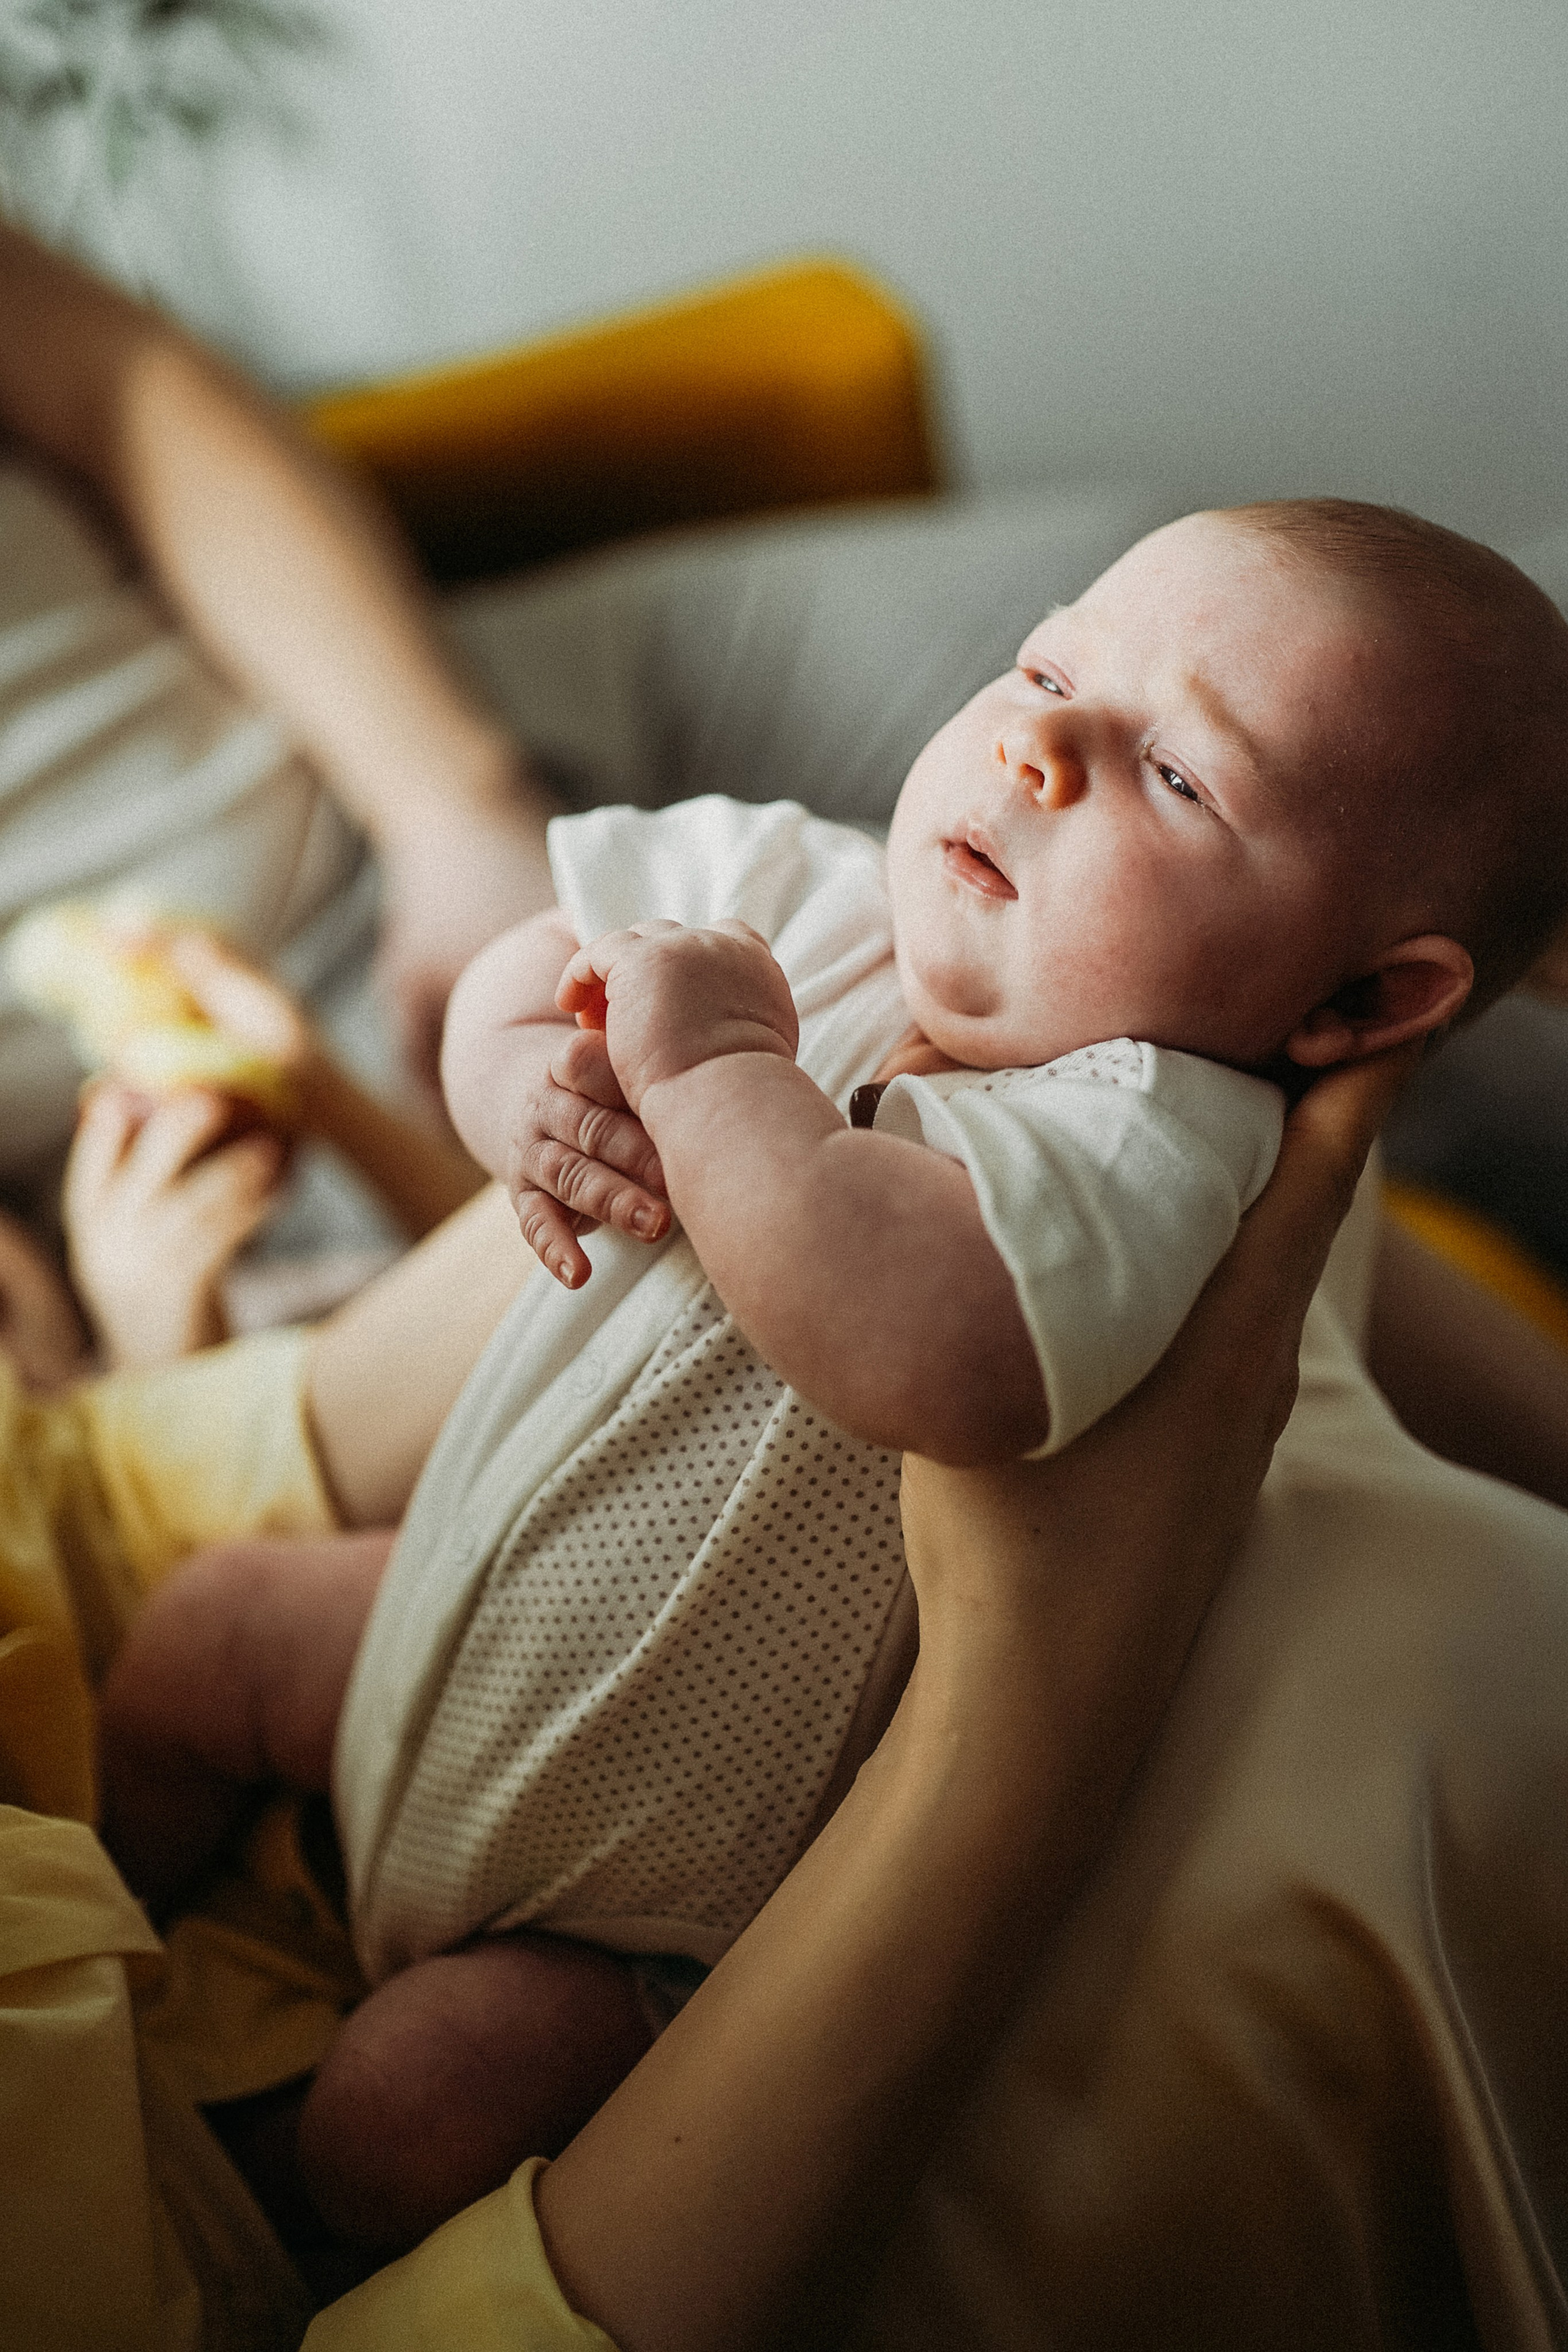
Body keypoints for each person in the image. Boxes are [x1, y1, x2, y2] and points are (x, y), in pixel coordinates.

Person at [94, 499, 1568, 2252]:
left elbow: (914, 1346)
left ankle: (217, 2223)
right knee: (205, 1637)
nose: (1037, 744)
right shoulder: (806, 884)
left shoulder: (1153, 1151)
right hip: (428, 1617)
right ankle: (122, 1981)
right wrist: (514, 1090)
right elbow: (537, 963)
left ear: (1351, 1008)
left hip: (641, 1885)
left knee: (409, 2118)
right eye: (1049, 668)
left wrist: (719, 1071)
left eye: (1176, 777)